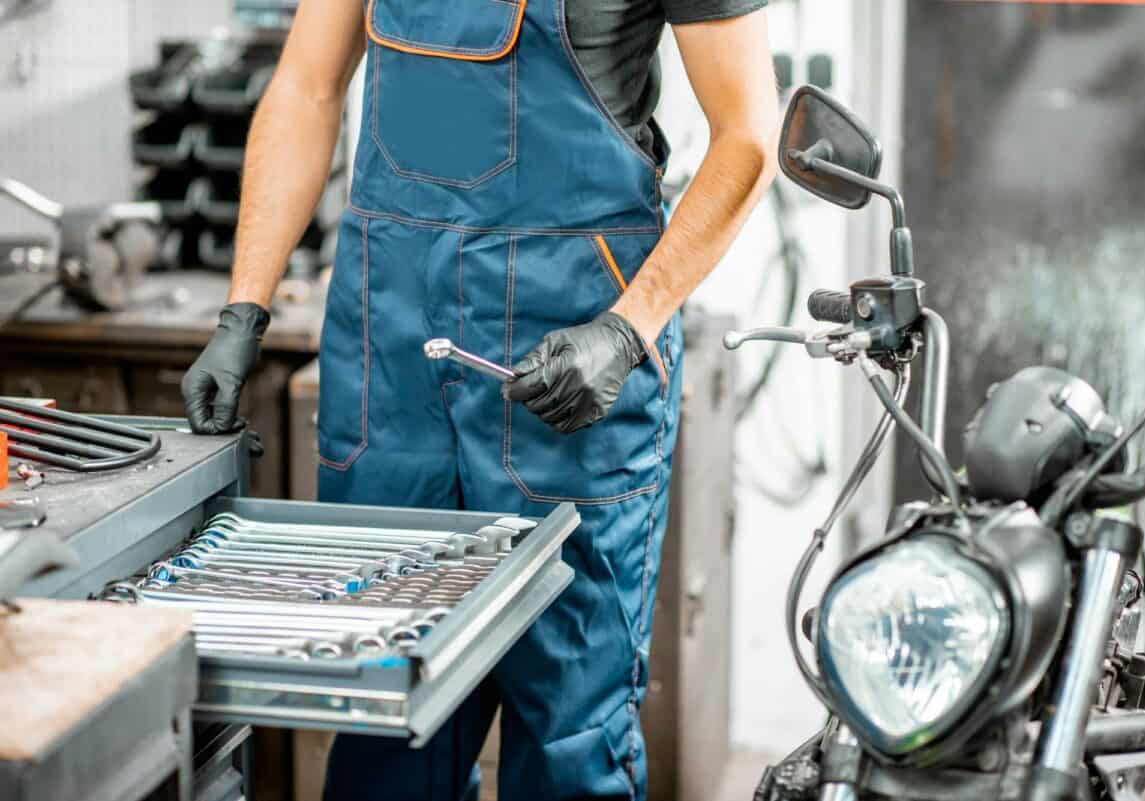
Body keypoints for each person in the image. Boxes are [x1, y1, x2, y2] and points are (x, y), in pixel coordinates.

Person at [181, 0, 777, 798]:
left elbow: (748, 136)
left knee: (570, 734)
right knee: (382, 714)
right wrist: (243, 309)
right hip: (392, 363)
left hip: (569, 356)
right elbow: (307, 87)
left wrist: (629, 327)